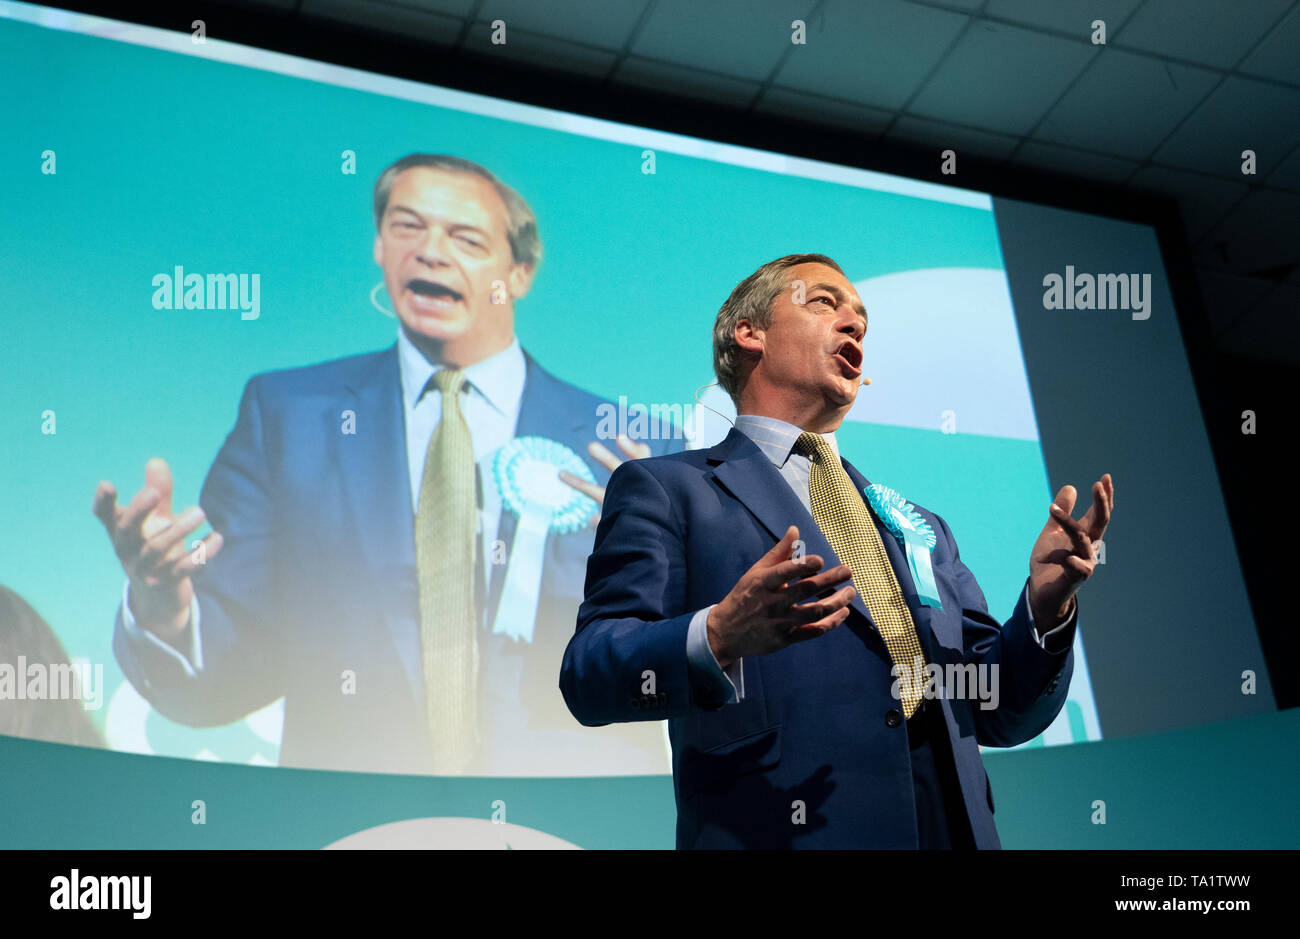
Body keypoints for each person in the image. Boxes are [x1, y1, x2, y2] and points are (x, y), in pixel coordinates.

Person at [94, 154, 676, 776]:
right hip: (357, 820)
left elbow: (691, 662)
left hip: (575, 822)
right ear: (378, 245)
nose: (429, 252)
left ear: (521, 271)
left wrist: (664, 566)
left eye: (465, 238)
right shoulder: (286, 417)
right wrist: (165, 607)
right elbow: (228, 671)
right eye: (406, 226)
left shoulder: (639, 449)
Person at [561, 253, 1114, 848]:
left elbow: (999, 710)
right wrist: (718, 633)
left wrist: (1045, 610)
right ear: (749, 333)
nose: (854, 325)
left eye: (862, 320)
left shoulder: (921, 525)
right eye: (824, 303)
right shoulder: (670, 488)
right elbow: (591, 672)